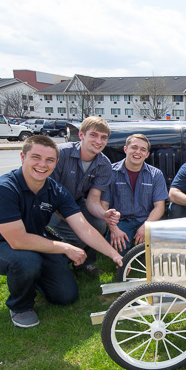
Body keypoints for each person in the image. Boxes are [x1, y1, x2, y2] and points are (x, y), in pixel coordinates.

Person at [0, 136, 123, 329]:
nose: (42, 165)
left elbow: (83, 227)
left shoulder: (56, 190)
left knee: (66, 296)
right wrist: (66, 248)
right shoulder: (3, 189)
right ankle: (20, 306)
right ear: (23, 157)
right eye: (36, 157)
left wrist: (114, 255)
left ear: (56, 162)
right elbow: (17, 240)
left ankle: (33, 277)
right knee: (26, 261)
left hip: (35, 244)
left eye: (49, 160)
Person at [49, 116, 119, 276]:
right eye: (93, 135)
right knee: (78, 235)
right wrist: (77, 223)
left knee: (99, 225)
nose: (98, 141)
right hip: (50, 205)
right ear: (81, 135)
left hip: (75, 201)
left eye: (103, 137)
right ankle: (58, 264)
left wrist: (104, 214)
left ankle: (85, 264)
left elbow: (93, 199)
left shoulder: (104, 164)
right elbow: (49, 194)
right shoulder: (61, 154)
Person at [101, 134, 169, 255]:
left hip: (146, 220)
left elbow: (159, 207)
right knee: (119, 251)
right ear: (125, 149)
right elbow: (103, 205)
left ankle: (143, 253)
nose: (138, 152)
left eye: (143, 149)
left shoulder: (156, 175)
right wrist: (114, 229)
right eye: (134, 147)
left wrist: (146, 227)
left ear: (147, 154)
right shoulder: (110, 172)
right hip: (121, 221)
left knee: (153, 255)